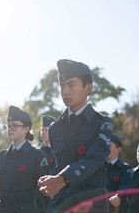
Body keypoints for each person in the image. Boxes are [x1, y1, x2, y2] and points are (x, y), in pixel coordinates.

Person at [38, 59, 114, 213]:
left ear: (88, 88)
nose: (65, 91)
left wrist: (63, 179)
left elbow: (95, 158)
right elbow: (58, 165)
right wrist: (49, 181)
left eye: (71, 85)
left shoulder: (102, 124)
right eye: (62, 86)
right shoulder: (55, 128)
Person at [0, 105, 50, 213]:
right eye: (8, 126)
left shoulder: (37, 156)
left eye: (14, 126)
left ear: (26, 129)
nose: (10, 129)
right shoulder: (2, 157)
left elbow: (46, 192)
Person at [106, 133, 133, 213]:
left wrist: (118, 196)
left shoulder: (125, 168)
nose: (106, 149)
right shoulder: (100, 168)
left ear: (119, 149)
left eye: (109, 146)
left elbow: (126, 185)